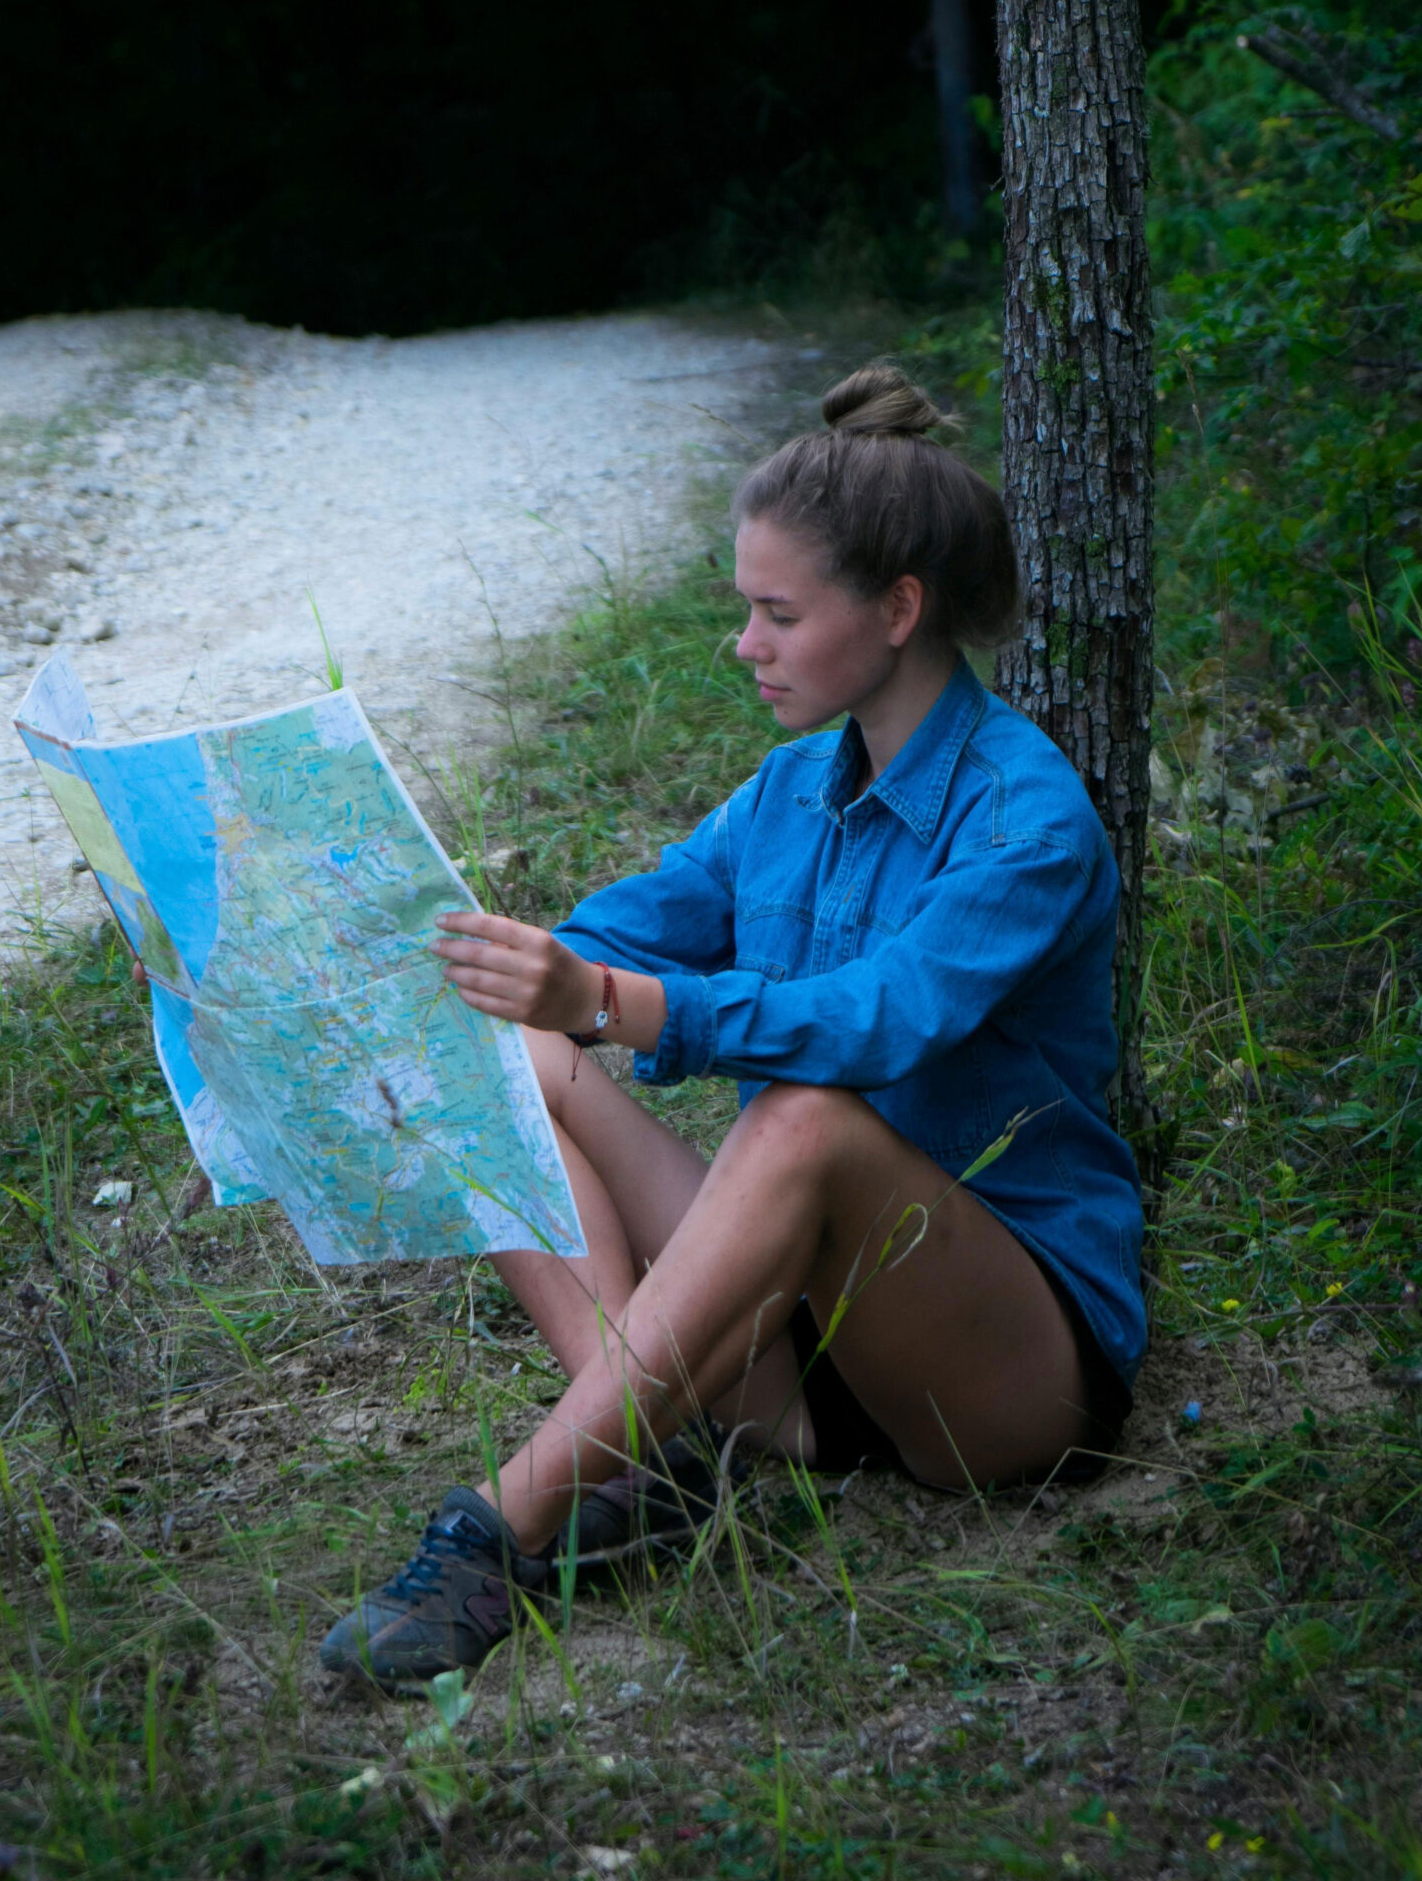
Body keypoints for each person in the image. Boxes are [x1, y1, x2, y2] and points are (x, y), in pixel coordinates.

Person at [319, 366, 1145, 1691]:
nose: (743, 646)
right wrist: (451, 970)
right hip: (813, 1361)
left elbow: (878, 1024)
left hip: (999, 1372)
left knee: (807, 1117)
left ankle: (499, 1526)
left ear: (898, 610)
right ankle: (651, 1456)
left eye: (775, 614)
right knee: (511, 1053)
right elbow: (619, 937)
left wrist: (608, 1005)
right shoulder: (787, 793)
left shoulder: (1025, 819)